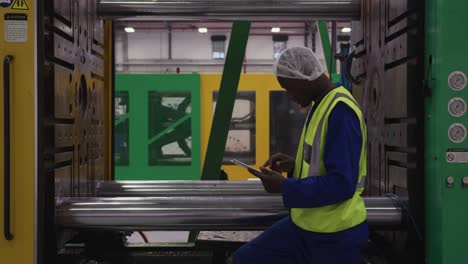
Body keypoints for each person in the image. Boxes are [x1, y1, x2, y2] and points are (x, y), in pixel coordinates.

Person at [234, 47, 368, 264]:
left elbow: (342, 184)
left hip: (334, 236)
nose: (290, 97)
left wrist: (284, 187)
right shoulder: (320, 105)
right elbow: (322, 165)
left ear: (306, 79)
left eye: (290, 89)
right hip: (304, 227)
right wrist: (294, 166)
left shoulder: (340, 111)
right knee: (243, 259)